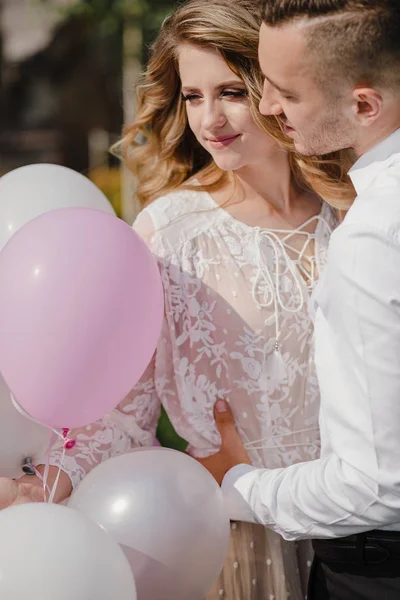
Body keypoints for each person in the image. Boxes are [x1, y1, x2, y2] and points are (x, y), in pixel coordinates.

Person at [1, 1, 353, 598]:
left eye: (231, 91)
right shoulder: (171, 232)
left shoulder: (351, 211)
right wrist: (47, 484)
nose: (210, 119)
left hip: (363, 527)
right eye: (192, 96)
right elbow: (122, 409)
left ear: (279, 91)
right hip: (239, 533)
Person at [211, 1, 400, 598]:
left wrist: (238, 486)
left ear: (363, 104)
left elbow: (378, 487)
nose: (266, 106)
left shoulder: (373, 238)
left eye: (286, 93)